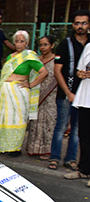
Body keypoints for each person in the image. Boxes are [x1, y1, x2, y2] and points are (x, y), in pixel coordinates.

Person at [0, 30, 48, 157]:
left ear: (27, 43)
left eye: (22, 41)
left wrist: (30, 84)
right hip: (5, 91)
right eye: (17, 41)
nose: (19, 44)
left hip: (19, 92)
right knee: (3, 118)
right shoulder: (10, 57)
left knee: (17, 119)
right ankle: (0, 145)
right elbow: (4, 75)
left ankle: (15, 148)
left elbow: (44, 72)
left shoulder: (29, 56)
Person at [48, 10, 90, 171]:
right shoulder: (65, 44)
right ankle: (55, 157)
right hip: (67, 93)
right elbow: (57, 70)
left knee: (78, 129)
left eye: (84, 23)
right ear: (73, 25)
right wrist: (68, 93)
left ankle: (71, 159)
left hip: (85, 97)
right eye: (77, 23)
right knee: (61, 126)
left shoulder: (89, 44)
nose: (80, 26)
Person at [26, 35, 58, 158]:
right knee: (35, 122)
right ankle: (33, 148)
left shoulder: (56, 61)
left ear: (52, 45)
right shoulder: (36, 60)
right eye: (41, 45)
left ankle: (46, 150)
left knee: (49, 123)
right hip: (36, 95)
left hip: (51, 96)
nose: (43, 47)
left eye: (46, 44)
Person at [64, 38, 90, 186]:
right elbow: (80, 70)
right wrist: (81, 74)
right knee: (84, 135)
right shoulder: (88, 47)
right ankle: (84, 170)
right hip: (86, 98)